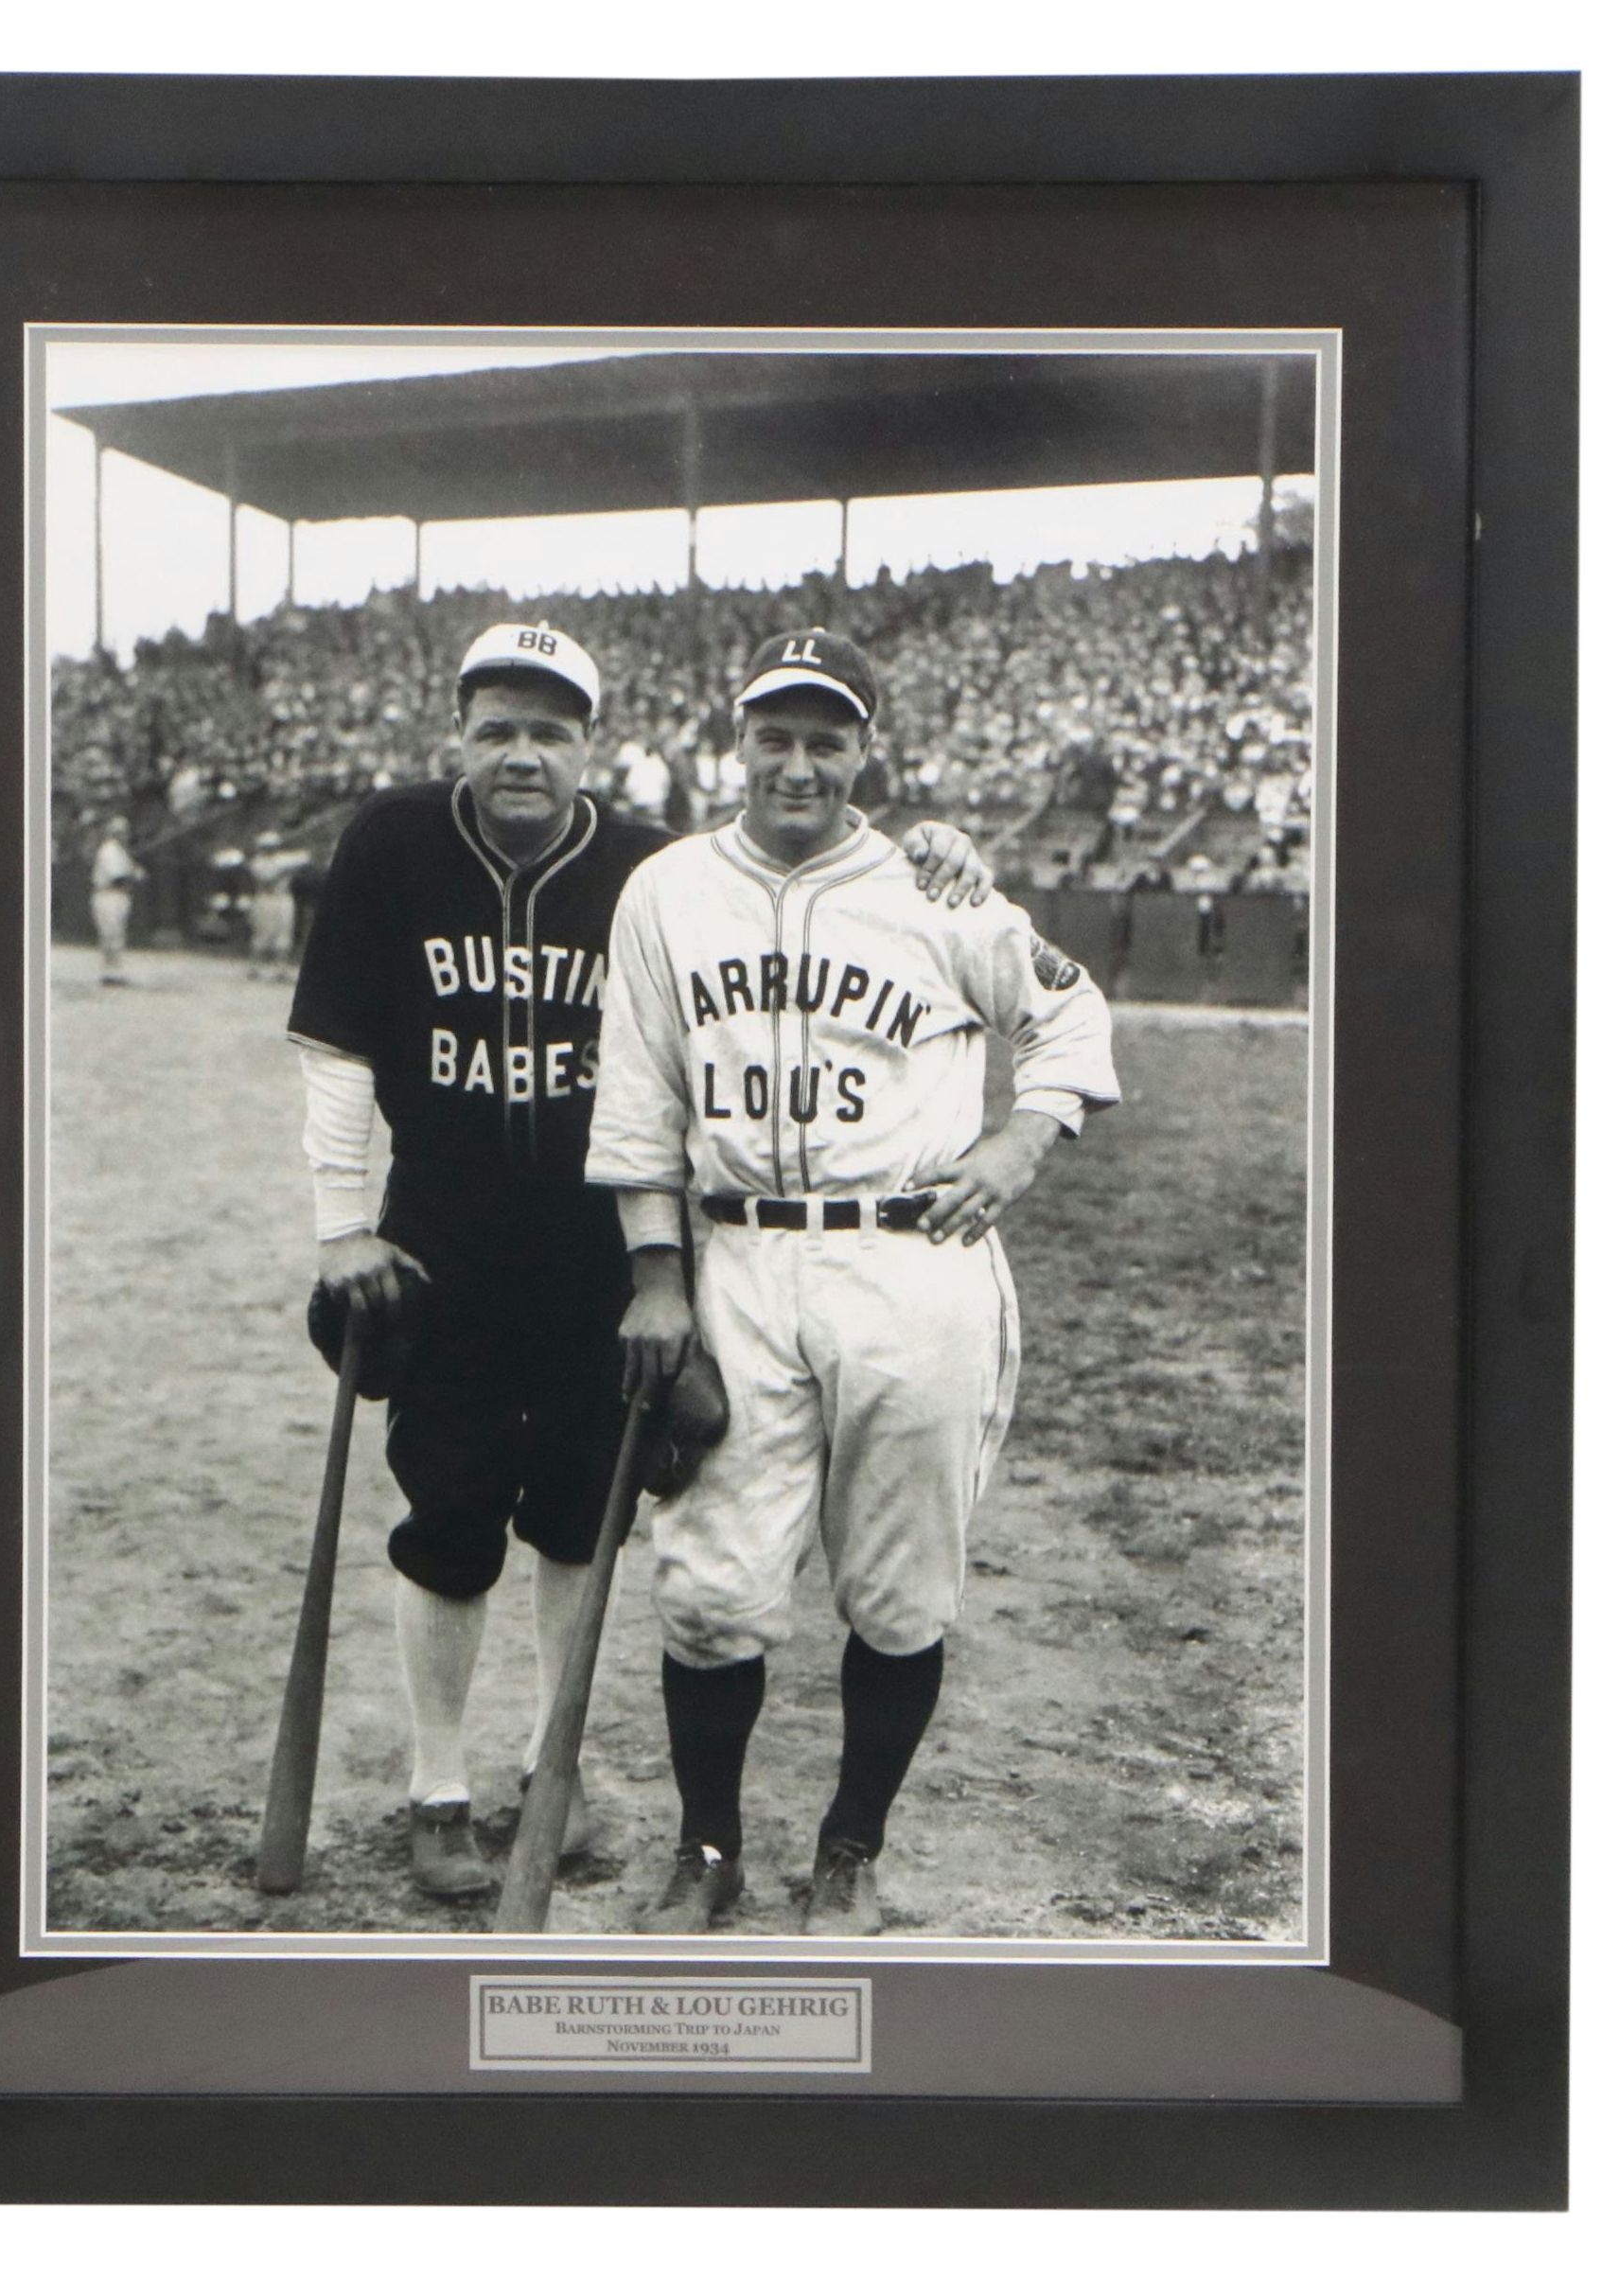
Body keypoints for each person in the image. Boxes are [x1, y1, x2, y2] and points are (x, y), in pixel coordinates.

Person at [287, 621, 996, 1904]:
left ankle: (546, 1768)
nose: (521, 753)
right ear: (458, 732)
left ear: (590, 746)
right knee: (446, 1521)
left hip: (597, 1245)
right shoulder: (390, 842)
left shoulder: (641, 867)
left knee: (580, 1519)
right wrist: (343, 1222)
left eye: (549, 731)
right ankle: (438, 1787)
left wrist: (938, 847)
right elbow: (336, 1047)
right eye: (497, 726)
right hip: (435, 1233)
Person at [588, 627, 1121, 1937]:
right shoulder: (663, 890)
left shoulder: (936, 888)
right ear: (739, 739)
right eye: (774, 733)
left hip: (907, 1257)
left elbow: (1070, 1012)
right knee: (710, 1586)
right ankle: (706, 1846)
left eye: (826, 737)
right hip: (739, 1259)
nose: (797, 761)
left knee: (896, 1583)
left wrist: (1015, 1142)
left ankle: (849, 1848)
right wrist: (656, 1278)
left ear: (863, 751)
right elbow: (639, 1096)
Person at [89, 814, 143, 985]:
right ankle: (108, 973)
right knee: (110, 934)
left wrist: (135, 872)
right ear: (112, 832)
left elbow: (132, 872)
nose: (124, 835)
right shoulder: (109, 850)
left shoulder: (121, 851)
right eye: (119, 831)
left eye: (125, 831)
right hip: (108, 895)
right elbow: (117, 877)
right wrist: (135, 875)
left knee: (117, 935)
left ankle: (115, 973)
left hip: (120, 896)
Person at [246, 829, 301, 982]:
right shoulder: (257, 862)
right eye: (267, 846)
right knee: (262, 933)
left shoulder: (283, 859)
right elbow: (266, 881)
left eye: (273, 846)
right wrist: (283, 871)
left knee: (284, 934)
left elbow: (304, 859)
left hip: (283, 898)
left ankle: (281, 969)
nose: (271, 849)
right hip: (265, 899)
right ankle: (254, 968)